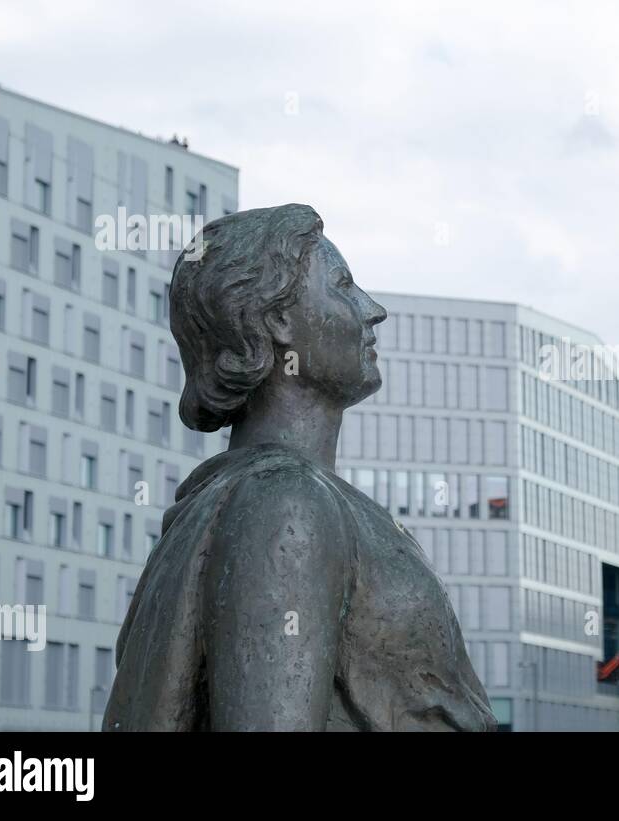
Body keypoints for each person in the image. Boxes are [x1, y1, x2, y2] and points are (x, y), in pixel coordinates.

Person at [104, 204, 496, 731]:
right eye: (343, 286)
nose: (372, 309)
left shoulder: (279, 497)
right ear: (277, 320)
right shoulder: (284, 503)